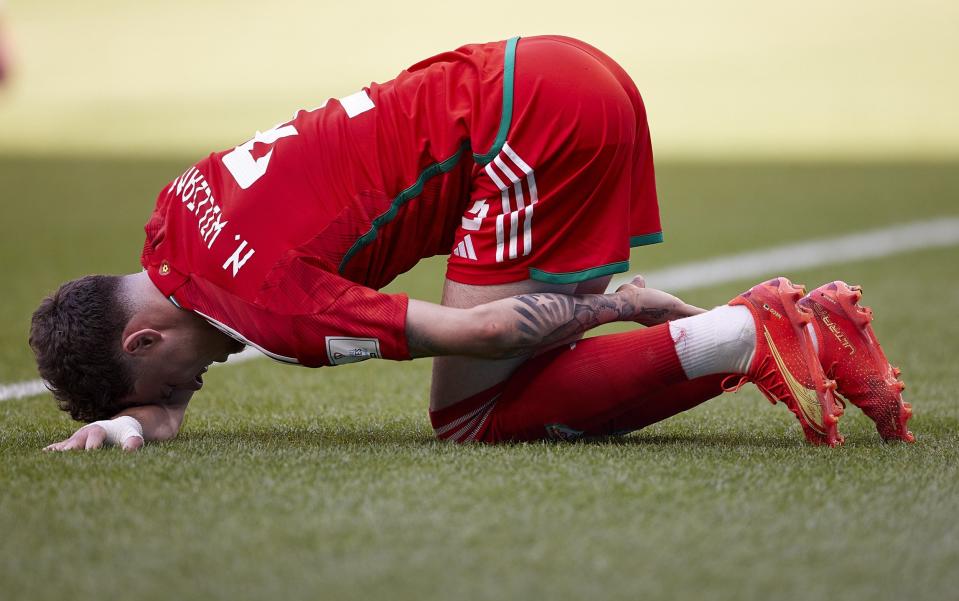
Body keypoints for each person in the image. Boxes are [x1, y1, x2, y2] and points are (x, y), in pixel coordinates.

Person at [30, 36, 912, 452]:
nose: (197, 384)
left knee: (469, 412)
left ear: (142, 339)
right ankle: (807, 322)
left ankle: (749, 332)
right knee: (522, 368)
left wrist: (621, 305)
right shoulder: (170, 220)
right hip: (527, 69)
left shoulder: (266, 306)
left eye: (178, 379)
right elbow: (188, 334)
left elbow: (483, 334)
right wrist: (141, 420)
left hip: (526, 129)